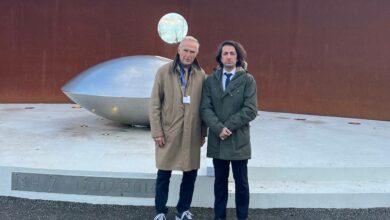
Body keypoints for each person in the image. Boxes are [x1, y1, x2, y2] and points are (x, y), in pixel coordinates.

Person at [149, 36, 207, 220]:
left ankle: (183, 210)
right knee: (164, 173)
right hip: (168, 132)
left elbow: (205, 106)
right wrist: (157, 131)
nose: (188, 55)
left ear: (196, 54)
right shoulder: (164, 72)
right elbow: (154, 104)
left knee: (190, 174)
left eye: (192, 52)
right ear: (178, 50)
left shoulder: (201, 75)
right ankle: (160, 211)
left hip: (192, 133)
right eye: (186, 50)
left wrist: (202, 133)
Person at [201, 40, 257, 220]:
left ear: (238, 57)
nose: (229, 56)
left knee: (241, 184)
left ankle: (242, 217)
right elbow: (205, 108)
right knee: (219, 184)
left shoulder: (248, 80)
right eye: (225, 53)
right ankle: (219, 217)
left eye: (232, 53)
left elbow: (251, 109)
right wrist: (218, 128)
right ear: (220, 57)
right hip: (218, 139)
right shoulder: (210, 80)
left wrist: (228, 127)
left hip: (238, 139)